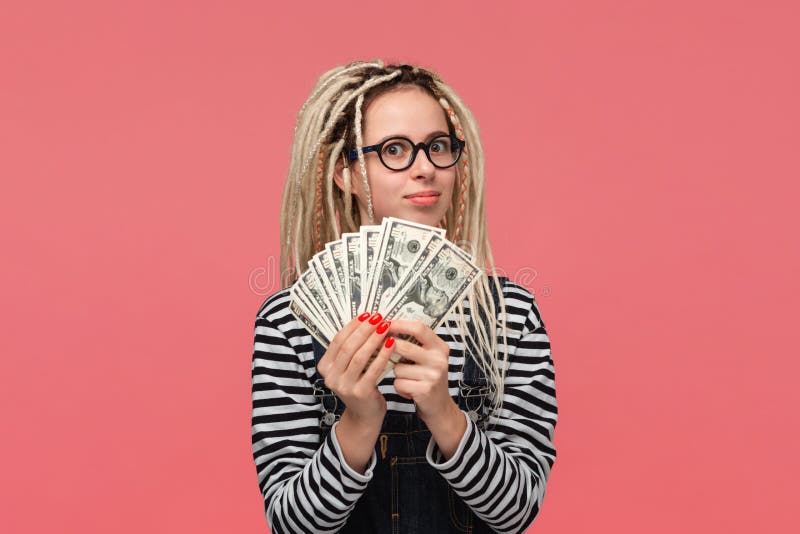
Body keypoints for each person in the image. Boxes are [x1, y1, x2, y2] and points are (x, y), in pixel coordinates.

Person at [251, 60, 557, 534]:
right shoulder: (289, 321)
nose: (425, 168)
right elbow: (293, 526)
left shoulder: (510, 315)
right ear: (346, 174)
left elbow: (516, 513)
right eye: (395, 149)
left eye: (438, 147)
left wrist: (444, 412)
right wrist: (358, 421)